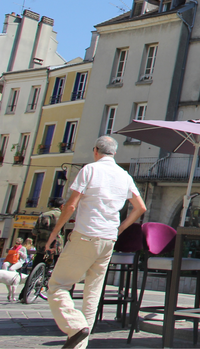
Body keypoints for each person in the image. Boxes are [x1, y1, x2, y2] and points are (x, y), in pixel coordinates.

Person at [43, 136, 146, 349]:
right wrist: (120, 228)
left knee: (57, 285)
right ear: (114, 153)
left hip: (86, 234)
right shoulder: (124, 176)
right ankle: (80, 344)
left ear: (95, 151)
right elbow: (140, 208)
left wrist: (54, 233)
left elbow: (70, 206)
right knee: (93, 292)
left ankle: (74, 326)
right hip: (108, 239)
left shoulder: (89, 170)